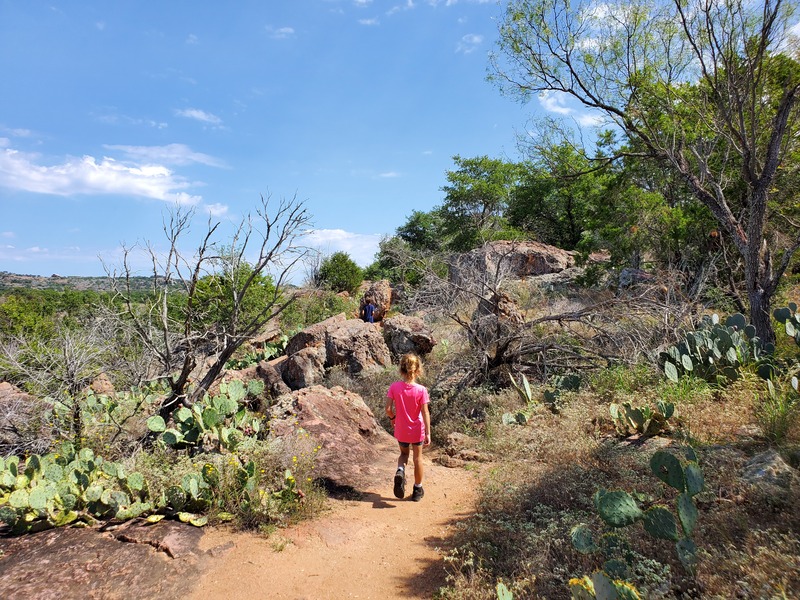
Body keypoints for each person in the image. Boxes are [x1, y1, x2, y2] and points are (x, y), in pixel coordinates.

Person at [385, 353, 431, 501]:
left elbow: (388, 408)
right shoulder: (421, 390)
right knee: (418, 459)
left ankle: (400, 471)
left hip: (401, 428)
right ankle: (417, 489)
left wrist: (393, 418)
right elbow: (425, 412)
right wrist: (428, 433)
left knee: (404, 455)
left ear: (402, 369)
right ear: (417, 370)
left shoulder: (394, 387)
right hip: (417, 430)